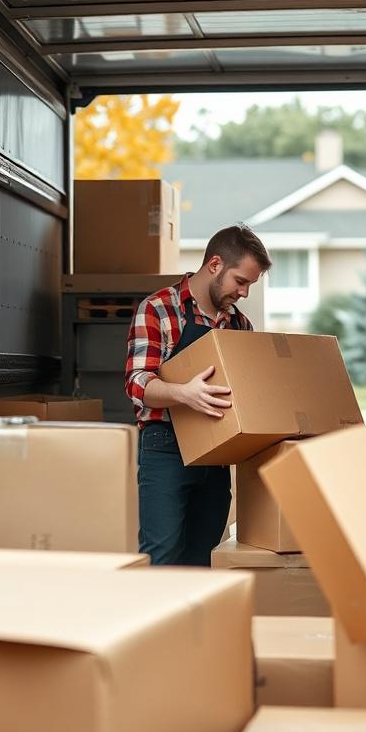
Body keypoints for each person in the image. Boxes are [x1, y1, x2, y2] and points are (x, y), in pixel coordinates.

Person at [124, 223, 272, 566]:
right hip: (165, 447)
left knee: (203, 559)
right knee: (162, 557)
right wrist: (184, 393)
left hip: (216, 454)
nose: (245, 293)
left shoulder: (240, 325)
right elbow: (136, 382)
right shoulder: (160, 309)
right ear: (216, 265)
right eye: (241, 281)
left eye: (250, 284)